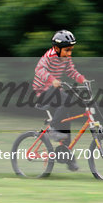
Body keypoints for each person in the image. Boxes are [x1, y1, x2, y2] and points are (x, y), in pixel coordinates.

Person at [32, 30, 86, 171]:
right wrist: (52, 80)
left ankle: (67, 159)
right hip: (42, 92)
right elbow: (39, 69)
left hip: (55, 91)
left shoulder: (66, 58)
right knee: (67, 99)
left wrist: (83, 80)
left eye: (71, 50)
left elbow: (71, 71)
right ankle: (53, 129)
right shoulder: (49, 56)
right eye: (67, 50)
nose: (69, 54)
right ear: (56, 48)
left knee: (67, 122)